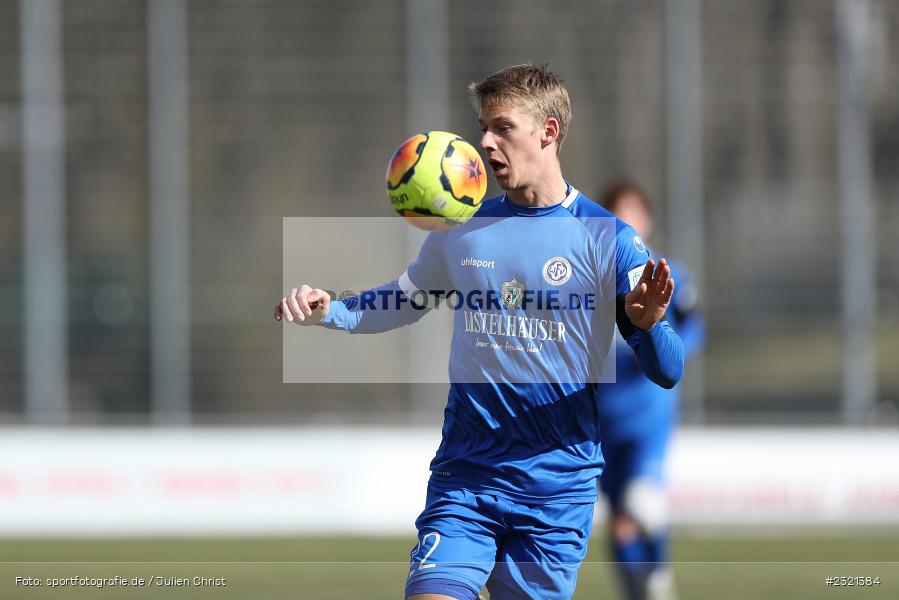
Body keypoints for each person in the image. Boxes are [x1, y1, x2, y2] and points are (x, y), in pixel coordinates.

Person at [275, 64, 684, 600]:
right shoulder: (463, 229)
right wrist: (332, 309)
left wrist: (646, 324)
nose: (485, 143)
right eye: (482, 129)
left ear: (548, 132)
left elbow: (669, 369)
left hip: (556, 488)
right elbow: (403, 300)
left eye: (502, 127)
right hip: (467, 476)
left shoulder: (608, 239)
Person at [595, 181, 705, 600]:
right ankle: (639, 593)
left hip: (648, 415)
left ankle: (658, 579)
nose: (627, 222)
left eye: (633, 213)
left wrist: (662, 355)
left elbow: (693, 329)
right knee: (620, 521)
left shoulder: (665, 273)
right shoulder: (589, 278)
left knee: (642, 503)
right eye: (616, 214)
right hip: (602, 420)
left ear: (648, 220)